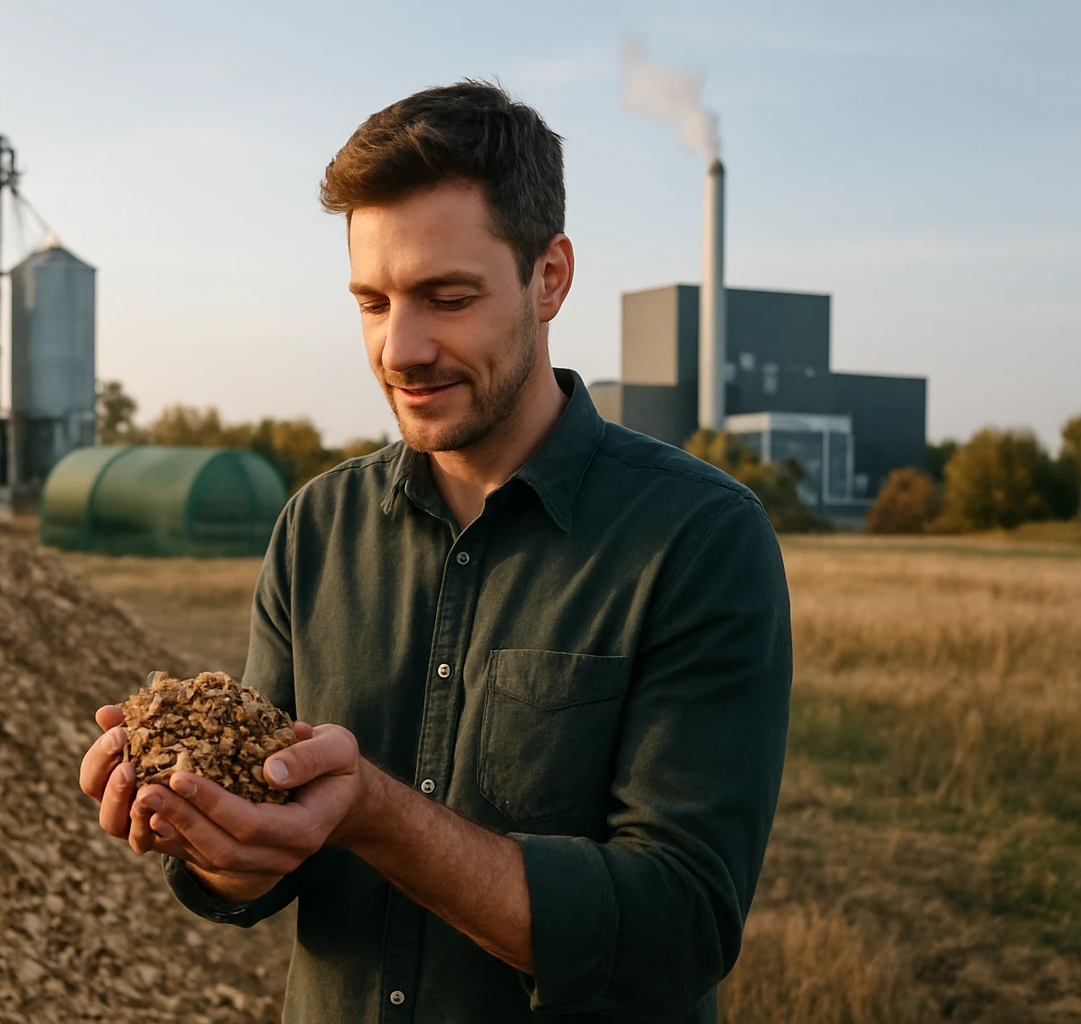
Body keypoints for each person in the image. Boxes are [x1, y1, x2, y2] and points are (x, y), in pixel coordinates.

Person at [80, 80, 791, 1023]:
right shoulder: (316, 528)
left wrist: (377, 815)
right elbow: (267, 864)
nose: (399, 348)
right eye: (371, 301)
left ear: (550, 277)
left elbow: (682, 927)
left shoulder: (699, 539)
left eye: (445, 297)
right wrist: (213, 845)